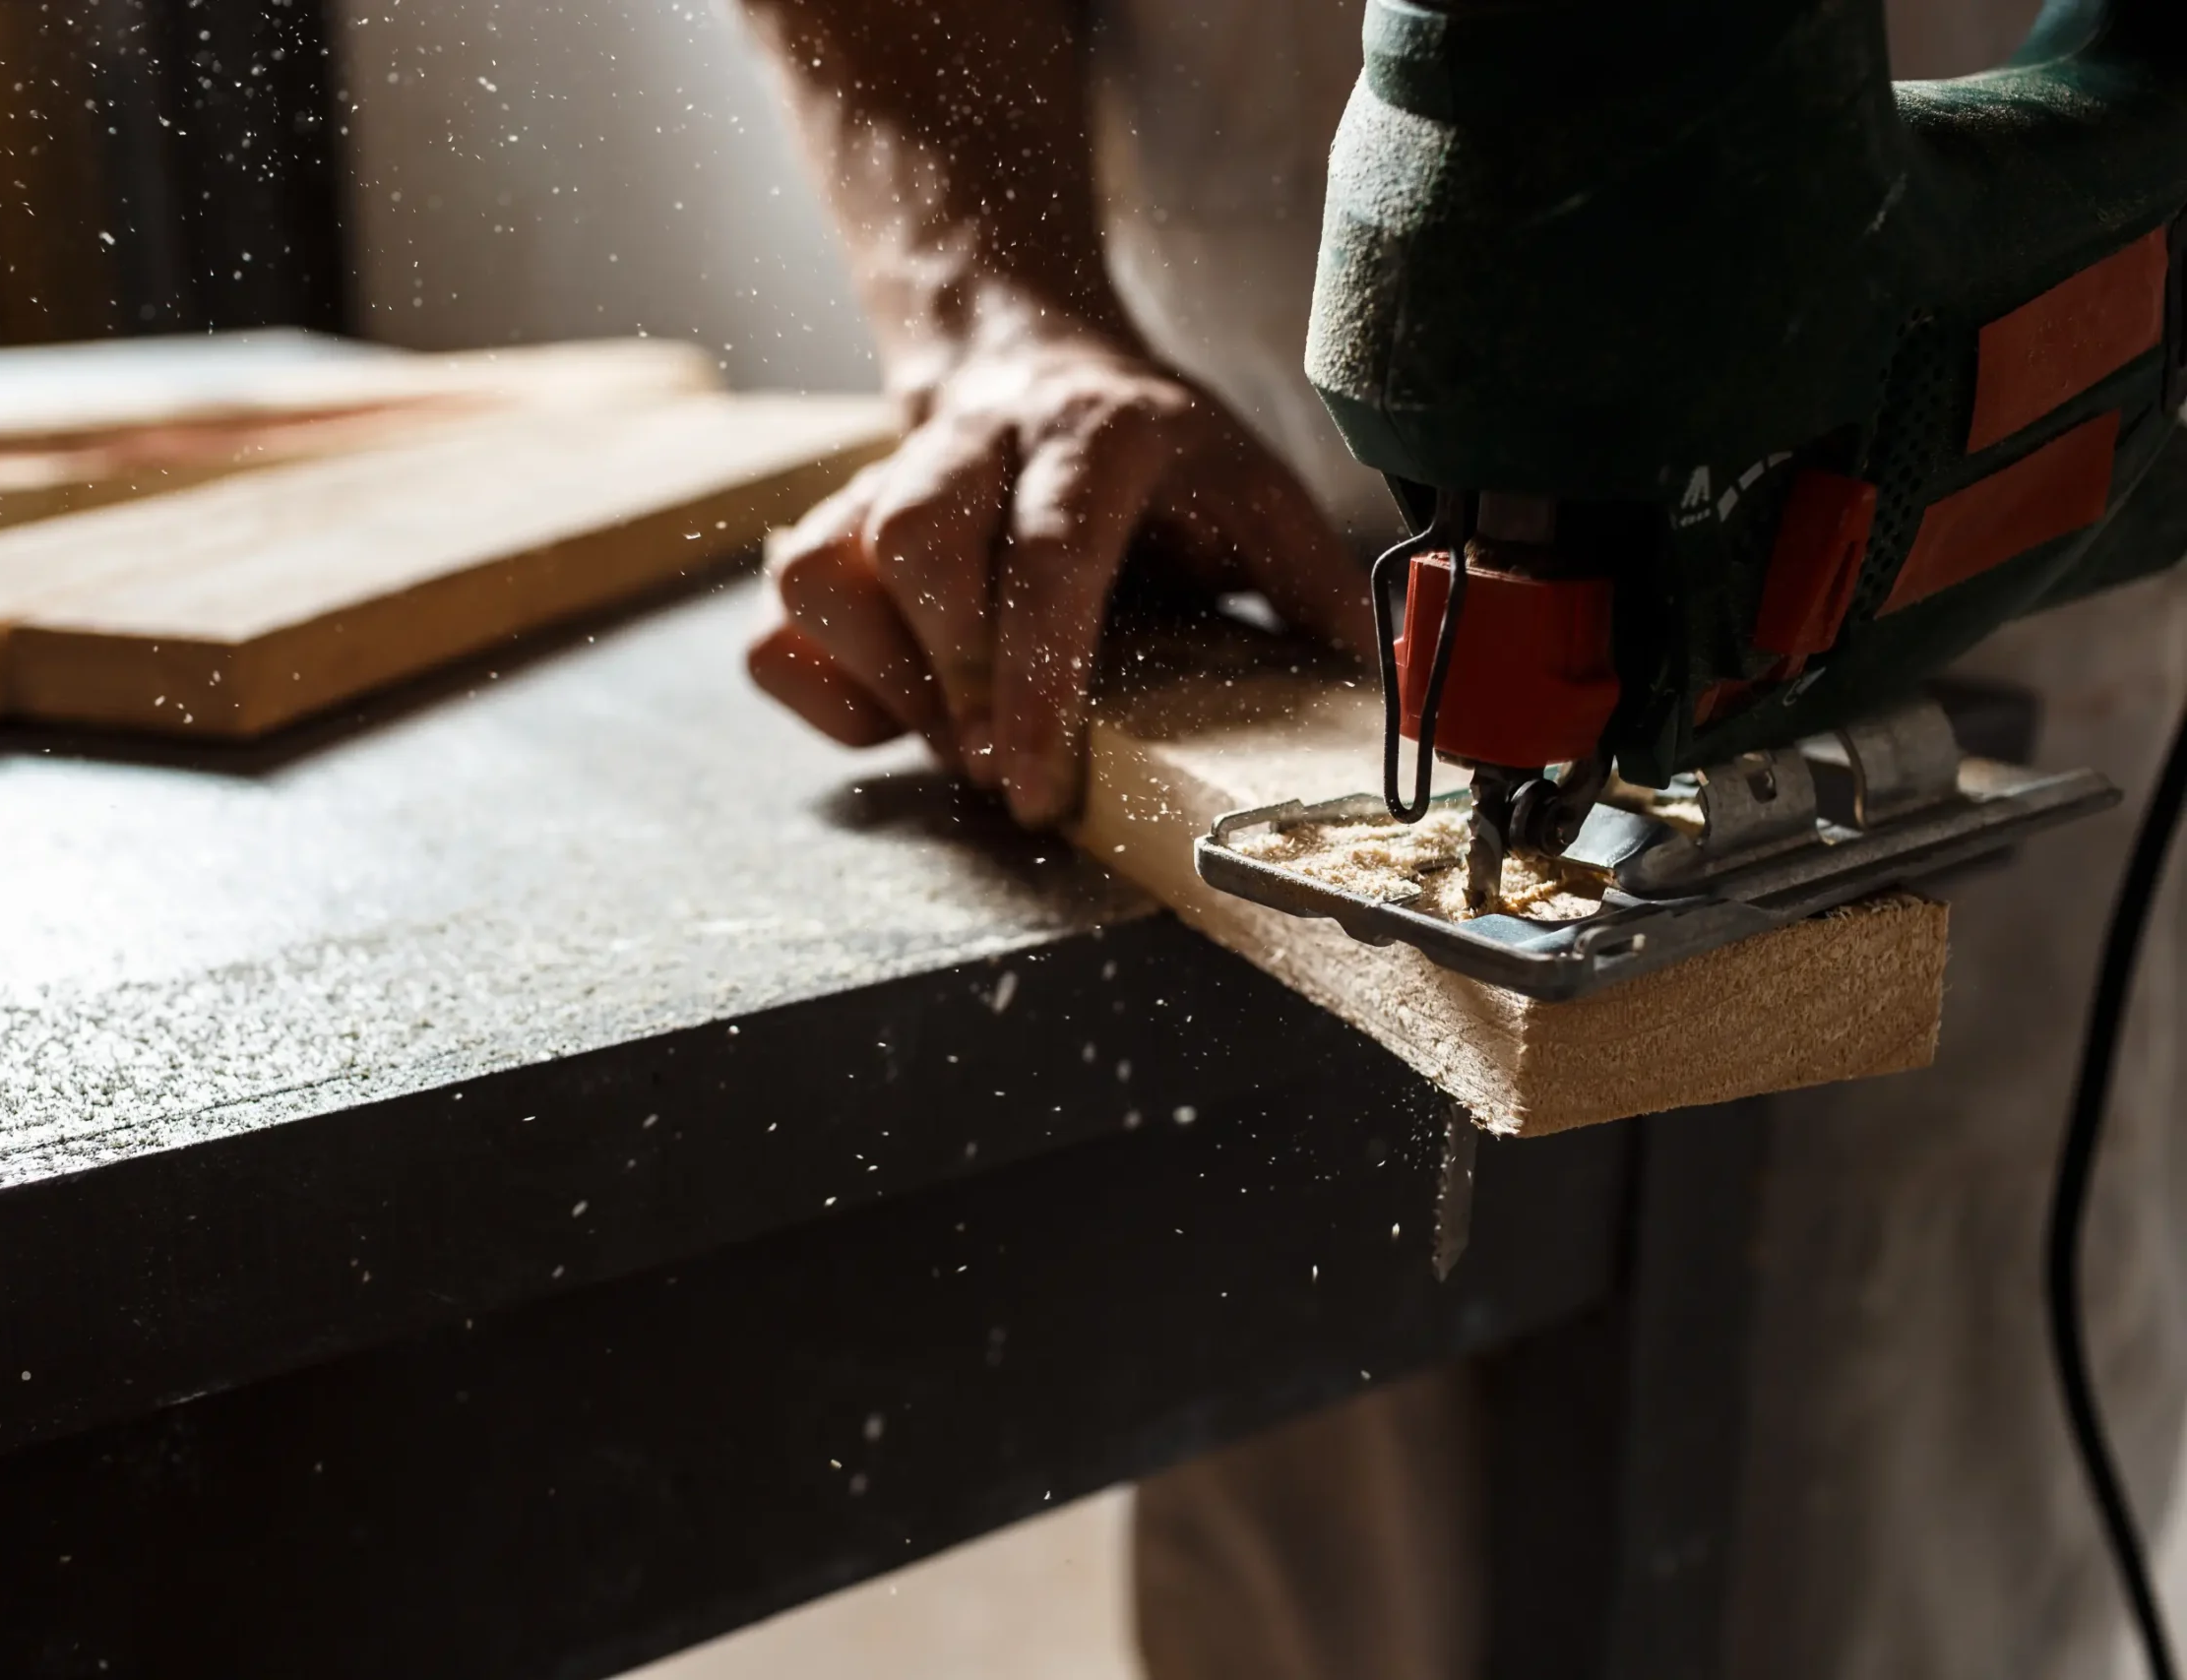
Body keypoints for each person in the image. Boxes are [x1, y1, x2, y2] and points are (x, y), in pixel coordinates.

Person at [731, 1, 2187, 1675]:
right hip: (1266, 524)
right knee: (1321, 1592)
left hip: (1991, 589)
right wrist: (1001, 309)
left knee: (1880, 1577)